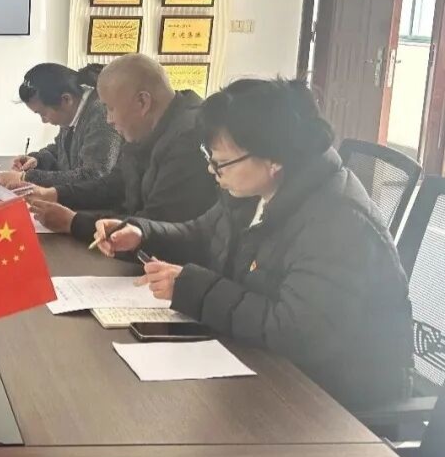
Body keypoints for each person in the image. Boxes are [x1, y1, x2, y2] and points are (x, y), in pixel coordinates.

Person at [94, 78, 414, 411]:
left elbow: (295, 331)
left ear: (273, 158)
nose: (212, 170)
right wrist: (141, 233)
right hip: (262, 362)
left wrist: (193, 288)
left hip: (334, 398)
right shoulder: (254, 190)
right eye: (210, 158)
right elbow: (201, 235)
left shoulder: (337, 221)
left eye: (221, 163)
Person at [28, 54, 216, 237]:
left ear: (142, 102)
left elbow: (156, 224)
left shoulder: (189, 140)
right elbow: (115, 184)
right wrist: (55, 194)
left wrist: (74, 223)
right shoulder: (145, 130)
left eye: (110, 108)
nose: (108, 120)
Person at [0, 63, 121, 189]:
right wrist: (37, 160)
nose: (43, 120)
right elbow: (61, 150)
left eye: (43, 113)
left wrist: (25, 178)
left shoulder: (101, 114)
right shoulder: (73, 111)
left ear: (66, 99)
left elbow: (93, 176)